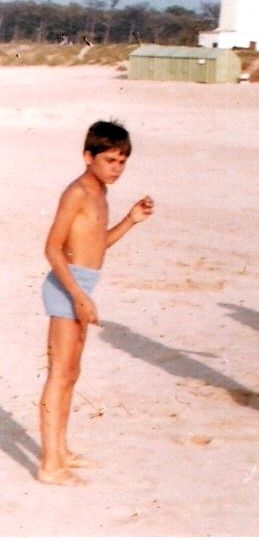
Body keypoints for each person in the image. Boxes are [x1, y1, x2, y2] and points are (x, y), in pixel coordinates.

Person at [38, 121, 154, 486]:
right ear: (88, 157)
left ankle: (61, 450)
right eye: (109, 160)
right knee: (60, 374)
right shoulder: (78, 192)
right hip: (66, 286)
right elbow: (52, 248)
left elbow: (96, 244)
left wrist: (131, 221)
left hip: (82, 286)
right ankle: (49, 465)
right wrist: (78, 296)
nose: (116, 168)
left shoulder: (100, 192)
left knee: (71, 373)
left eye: (122, 161)